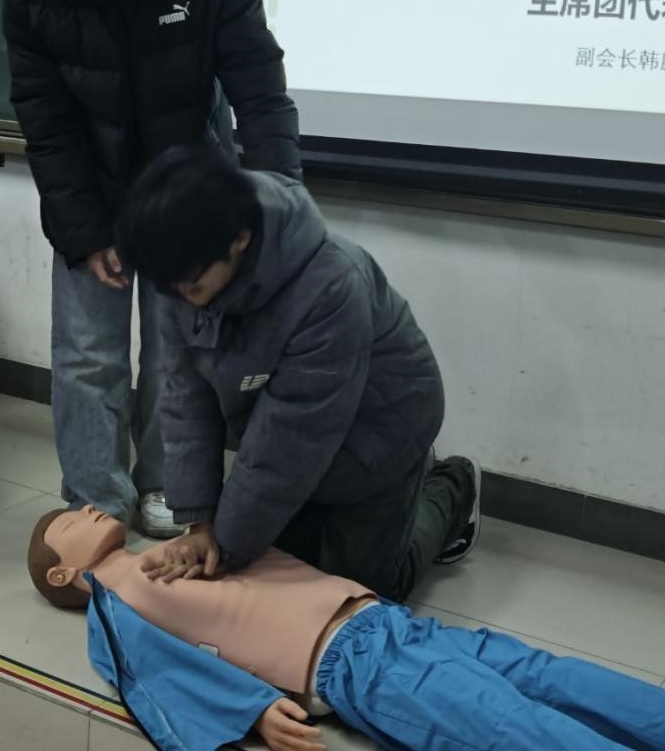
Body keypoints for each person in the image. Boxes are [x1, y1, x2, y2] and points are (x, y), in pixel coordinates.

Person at [2, 0, 300, 536]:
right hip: (92, 194)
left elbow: (259, 90)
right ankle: (95, 501)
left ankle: (171, 487)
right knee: (86, 355)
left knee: (180, 353)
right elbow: (47, 126)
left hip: (189, 199)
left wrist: (278, 200)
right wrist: (86, 234)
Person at [28, 505, 665, 751]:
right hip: (354, 667)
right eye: (67, 522)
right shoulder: (112, 600)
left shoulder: (172, 538)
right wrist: (246, 709)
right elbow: (150, 676)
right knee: (523, 731)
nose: (85, 509)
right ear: (64, 574)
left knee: (560, 679)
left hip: (386, 624)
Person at [116, 145, 478, 602]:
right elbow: (185, 401)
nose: (180, 298)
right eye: (170, 289)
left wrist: (225, 545)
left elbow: (290, 441)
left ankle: (452, 484)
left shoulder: (330, 283)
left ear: (240, 237)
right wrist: (199, 522)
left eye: (192, 285)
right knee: (280, 573)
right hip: (293, 428)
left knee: (364, 594)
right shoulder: (180, 268)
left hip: (383, 426)